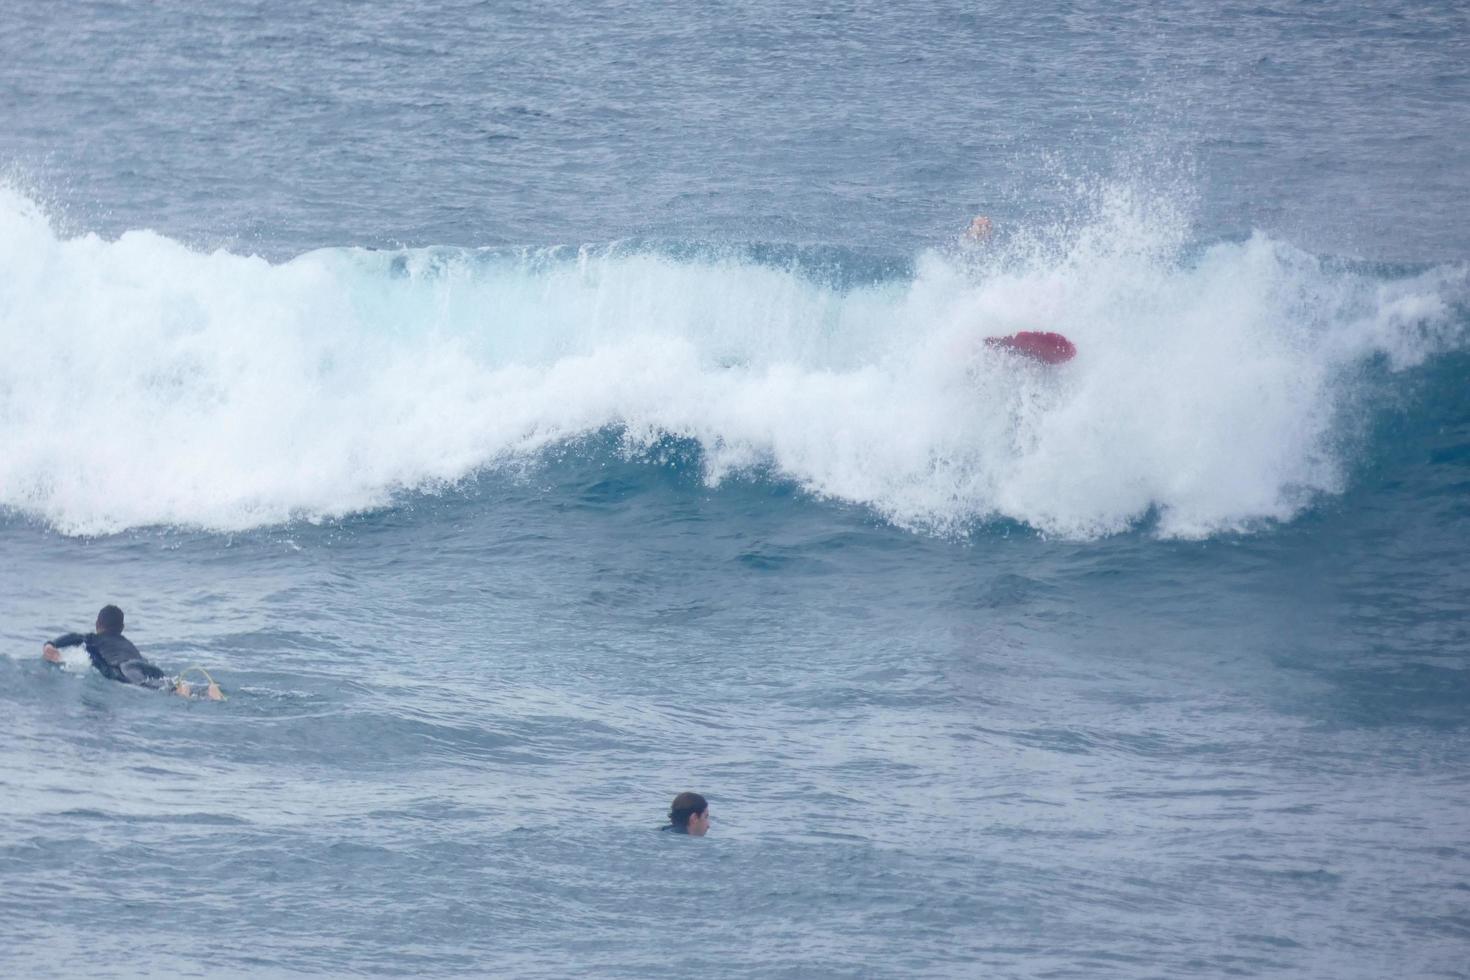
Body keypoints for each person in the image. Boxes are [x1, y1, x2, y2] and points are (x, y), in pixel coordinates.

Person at [42, 605, 222, 700]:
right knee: (166, 683)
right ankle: (206, 691)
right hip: (146, 665)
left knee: (144, 686)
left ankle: (182, 691)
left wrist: (51, 645)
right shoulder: (128, 643)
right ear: (122, 628)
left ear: (97, 625)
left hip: (126, 668)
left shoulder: (94, 639)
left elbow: (75, 637)